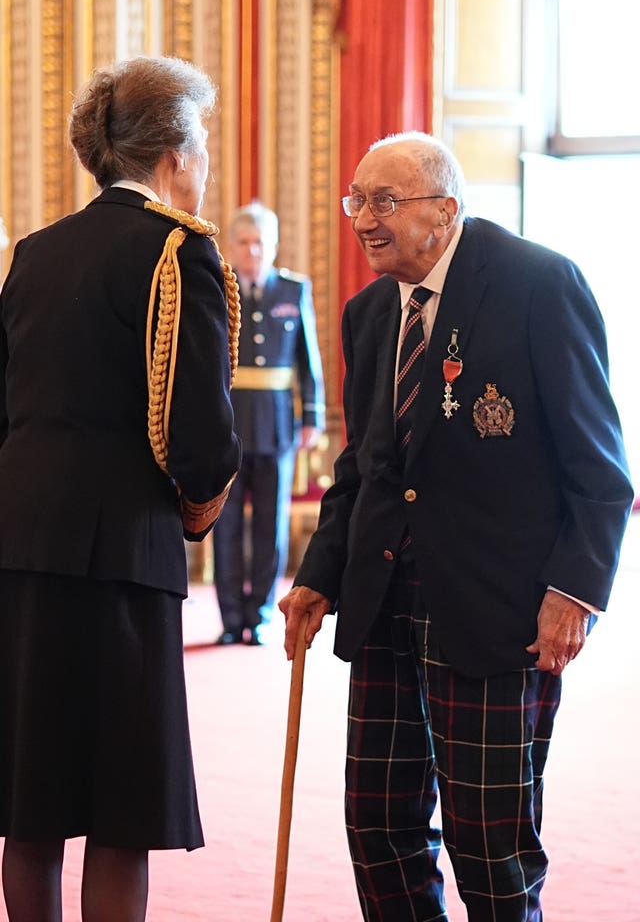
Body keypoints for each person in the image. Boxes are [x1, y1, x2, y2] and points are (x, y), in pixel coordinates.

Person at [279, 132, 634, 921]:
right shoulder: (369, 314)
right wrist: (316, 574)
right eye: (357, 201)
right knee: (377, 825)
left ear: (444, 210)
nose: (364, 219)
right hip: (383, 608)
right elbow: (364, 470)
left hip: (496, 611)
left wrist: (573, 592)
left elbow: (601, 472)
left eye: (384, 202)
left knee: (489, 843)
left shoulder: (540, 285)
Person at [0, 55, 241, 921]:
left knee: (28, 808)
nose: (206, 157)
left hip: (20, 548)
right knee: (118, 810)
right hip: (123, 558)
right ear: (175, 151)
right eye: (203, 138)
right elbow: (201, 436)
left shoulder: (31, 254)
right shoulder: (180, 249)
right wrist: (197, 509)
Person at [212, 201, 325, 645]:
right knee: (226, 524)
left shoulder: (292, 292)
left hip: (277, 423)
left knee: (269, 524)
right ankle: (229, 619)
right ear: (233, 247)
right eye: (244, 242)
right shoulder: (219, 290)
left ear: (273, 246)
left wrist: (311, 417)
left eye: (260, 242)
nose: (253, 251)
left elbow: (307, 361)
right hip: (230, 422)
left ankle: (257, 613)